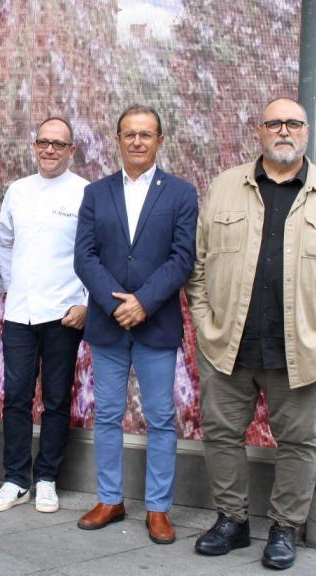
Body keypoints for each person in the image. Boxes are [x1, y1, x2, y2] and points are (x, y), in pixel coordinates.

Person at [186, 97, 316, 570]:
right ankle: (231, 520)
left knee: (299, 443)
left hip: (304, 351)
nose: (284, 131)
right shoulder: (225, 187)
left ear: (306, 132)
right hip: (229, 346)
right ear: (260, 131)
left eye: (293, 123)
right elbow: (198, 263)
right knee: (221, 434)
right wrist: (206, 322)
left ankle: (285, 528)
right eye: (275, 123)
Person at [73, 104, 198, 544]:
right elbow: (84, 257)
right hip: (109, 325)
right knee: (107, 415)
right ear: (118, 139)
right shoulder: (96, 193)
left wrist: (143, 303)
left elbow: (183, 257)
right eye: (130, 134)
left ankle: (159, 509)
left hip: (155, 322)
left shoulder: (181, 193)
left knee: (161, 418)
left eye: (146, 134)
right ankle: (110, 499)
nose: (138, 141)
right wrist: (115, 305)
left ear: (160, 141)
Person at [0, 117, 89, 514]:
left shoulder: (85, 192)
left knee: (57, 399)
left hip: (65, 313)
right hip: (20, 314)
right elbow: (5, 242)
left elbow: (93, 252)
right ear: (35, 145)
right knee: (16, 398)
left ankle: (46, 478)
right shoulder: (18, 190)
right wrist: (13, 288)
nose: (49, 150)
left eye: (58, 144)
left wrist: (85, 304)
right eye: (44, 142)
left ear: (71, 150)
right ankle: (15, 479)